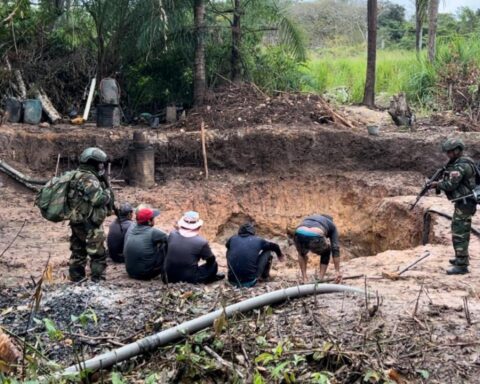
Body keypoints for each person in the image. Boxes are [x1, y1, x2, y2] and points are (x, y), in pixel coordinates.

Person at [429, 138, 477, 275]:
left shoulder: (460, 166)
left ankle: (462, 265)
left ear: (457, 150)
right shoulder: (459, 163)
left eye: (450, 152)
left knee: (460, 233)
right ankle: (460, 258)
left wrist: (437, 185)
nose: (448, 154)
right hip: (464, 203)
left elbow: (451, 185)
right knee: (459, 231)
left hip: (465, 203)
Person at [68, 147, 114, 282]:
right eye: (99, 163)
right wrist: (107, 194)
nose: (101, 166)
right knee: (98, 254)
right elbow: (98, 199)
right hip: (90, 222)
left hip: (76, 220)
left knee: (78, 252)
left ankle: (76, 280)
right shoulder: (89, 178)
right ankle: (97, 282)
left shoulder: (75, 175)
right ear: (92, 163)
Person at [164, 211, 224, 284]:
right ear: (198, 226)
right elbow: (211, 260)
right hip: (188, 280)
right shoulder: (201, 242)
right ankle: (208, 279)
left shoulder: (172, 234)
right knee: (214, 265)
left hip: (166, 277)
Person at [226, 223, 284, 288]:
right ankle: (265, 277)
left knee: (228, 250)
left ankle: (233, 272)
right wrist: (280, 255)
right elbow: (275, 246)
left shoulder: (232, 238)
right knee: (268, 251)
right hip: (249, 282)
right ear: (253, 231)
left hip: (232, 281)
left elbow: (227, 245)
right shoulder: (258, 240)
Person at [294, 214, 342, 283]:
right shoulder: (332, 225)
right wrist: (337, 271)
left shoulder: (312, 217)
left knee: (301, 253)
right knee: (326, 251)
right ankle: (320, 279)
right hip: (315, 233)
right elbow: (335, 248)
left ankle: (304, 278)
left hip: (299, 232)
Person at [124, 207, 168, 280]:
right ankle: (166, 272)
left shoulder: (132, 229)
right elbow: (169, 239)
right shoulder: (153, 232)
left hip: (130, 272)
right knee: (164, 245)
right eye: (153, 218)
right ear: (149, 221)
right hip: (145, 274)